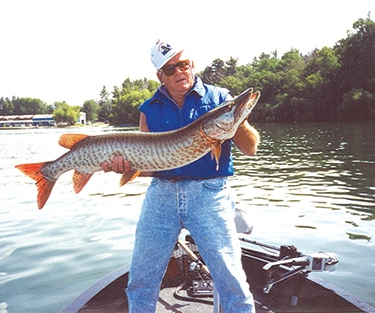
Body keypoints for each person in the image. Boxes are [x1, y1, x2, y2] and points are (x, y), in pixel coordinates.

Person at [104, 40, 260, 312]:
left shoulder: (220, 99)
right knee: (141, 280)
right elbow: (150, 165)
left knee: (232, 280)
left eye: (183, 64)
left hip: (209, 196)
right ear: (160, 76)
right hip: (161, 197)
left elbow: (251, 149)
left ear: (192, 65)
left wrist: (236, 120)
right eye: (170, 69)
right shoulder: (149, 108)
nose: (179, 72)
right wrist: (124, 166)